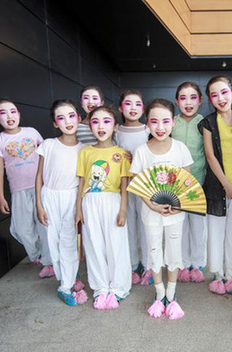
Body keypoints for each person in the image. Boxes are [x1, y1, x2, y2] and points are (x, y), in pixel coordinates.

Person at [130, 99, 193, 320]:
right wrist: (151, 204)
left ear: (173, 122)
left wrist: (178, 205)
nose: (160, 127)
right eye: (154, 121)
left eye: (166, 121)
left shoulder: (181, 149)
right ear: (147, 123)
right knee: (154, 251)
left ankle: (172, 294)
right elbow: (137, 184)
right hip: (150, 212)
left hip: (176, 213)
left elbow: (187, 183)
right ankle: (159, 294)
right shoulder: (141, 151)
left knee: (174, 252)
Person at [0, 98, 53, 278]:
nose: (10, 116)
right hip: (18, 190)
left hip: (41, 186)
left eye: (13, 111)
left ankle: (49, 261)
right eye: (3, 112)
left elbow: (46, 155)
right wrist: (1, 197)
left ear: (19, 114)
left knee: (44, 225)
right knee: (21, 228)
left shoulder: (31, 132)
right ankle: (37, 253)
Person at [75, 106, 131, 310]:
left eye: (106, 121)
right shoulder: (85, 152)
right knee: (94, 246)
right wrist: (78, 208)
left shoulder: (122, 154)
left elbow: (124, 184)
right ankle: (100, 288)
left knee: (116, 245)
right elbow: (81, 182)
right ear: (89, 125)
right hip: (90, 202)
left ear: (115, 126)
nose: (101, 126)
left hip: (113, 201)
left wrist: (123, 209)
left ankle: (118, 288)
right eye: (95, 121)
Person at [199, 76, 232, 295]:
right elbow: (210, 157)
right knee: (216, 230)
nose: (221, 98)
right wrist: (226, 185)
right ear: (210, 99)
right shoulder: (208, 123)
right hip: (216, 185)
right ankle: (218, 273)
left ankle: (230, 272)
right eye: (214, 94)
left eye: (224, 92)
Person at [35, 100, 88, 306]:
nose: (67, 121)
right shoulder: (48, 145)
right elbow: (39, 176)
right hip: (49, 197)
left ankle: (65, 286)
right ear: (55, 123)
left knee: (68, 241)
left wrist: (78, 207)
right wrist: (39, 204)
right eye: (61, 117)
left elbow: (83, 182)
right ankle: (68, 276)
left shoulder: (85, 150)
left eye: (71, 115)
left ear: (79, 118)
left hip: (72, 198)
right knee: (52, 242)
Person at [115, 90, 151, 285]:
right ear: (121, 108)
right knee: (128, 225)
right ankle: (132, 263)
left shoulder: (148, 130)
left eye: (138, 104)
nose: (133, 108)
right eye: (128, 104)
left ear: (143, 108)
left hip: (145, 185)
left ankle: (148, 264)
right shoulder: (115, 131)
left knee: (146, 225)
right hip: (124, 186)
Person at [173, 82, 207, 283]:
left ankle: (198, 263)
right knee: (180, 225)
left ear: (200, 100)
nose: (188, 102)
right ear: (177, 101)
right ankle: (183, 263)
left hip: (198, 183)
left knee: (198, 225)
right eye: (183, 97)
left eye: (193, 97)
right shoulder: (172, 123)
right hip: (175, 185)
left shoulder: (205, 123)